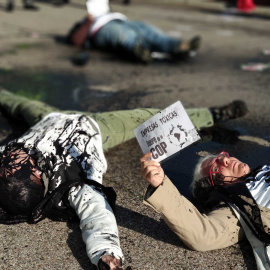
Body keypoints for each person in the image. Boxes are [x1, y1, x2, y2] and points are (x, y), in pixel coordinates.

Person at [0, 89, 247, 269]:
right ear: (36, 177)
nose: (15, 156)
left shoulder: (9, 164)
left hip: (47, 118)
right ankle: (210, 116)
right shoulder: (75, 185)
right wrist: (106, 256)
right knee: (150, 118)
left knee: (17, 103)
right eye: (19, 164)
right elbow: (97, 216)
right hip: (93, 128)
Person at [140, 146, 270, 268]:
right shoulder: (237, 206)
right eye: (216, 169)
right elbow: (203, 234)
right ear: (216, 188)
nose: (225, 160)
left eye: (221, 157)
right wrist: (161, 183)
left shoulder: (261, 170)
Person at [66, 0, 201, 63]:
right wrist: (88, 21)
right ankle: (138, 51)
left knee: (149, 31)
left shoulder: (108, 12)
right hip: (102, 29)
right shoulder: (84, 23)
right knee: (123, 36)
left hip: (124, 21)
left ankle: (178, 45)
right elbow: (75, 40)